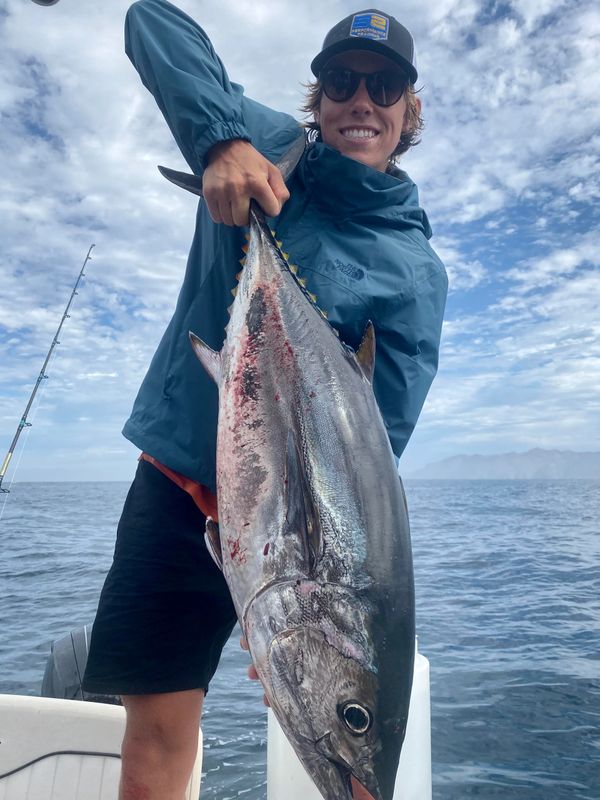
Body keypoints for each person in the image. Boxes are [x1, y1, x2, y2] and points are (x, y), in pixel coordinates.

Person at [82, 2, 448, 799]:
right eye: (342, 82)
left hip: (285, 542)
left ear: (409, 110)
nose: (363, 101)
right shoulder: (269, 142)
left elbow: (371, 450)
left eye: (384, 87)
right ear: (316, 97)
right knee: (153, 738)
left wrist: (280, 578)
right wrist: (221, 140)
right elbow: (152, 21)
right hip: (179, 495)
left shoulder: (416, 272)